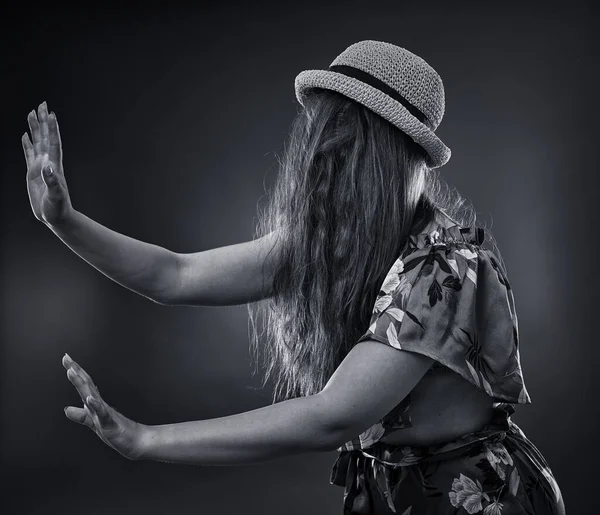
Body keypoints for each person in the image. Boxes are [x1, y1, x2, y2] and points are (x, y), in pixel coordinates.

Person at [22, 40, 565, 514]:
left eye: (348, 142)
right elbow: (174, 275)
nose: (322, 158)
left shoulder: (445, 268)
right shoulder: (335, 244)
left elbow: (331, 418)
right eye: (322, 137)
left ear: (394, 158)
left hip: (474, 499)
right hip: (392, 490)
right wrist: (64, 221)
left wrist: (145, 440)